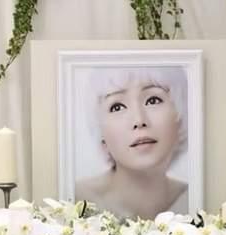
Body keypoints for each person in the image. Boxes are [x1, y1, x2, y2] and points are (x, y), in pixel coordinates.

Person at [75, 66, 188, 219]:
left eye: (153, 100)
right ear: (101, 132)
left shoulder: (196, 199)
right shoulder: (77, 202)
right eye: (117, 107)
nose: (139, 121)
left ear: (180, 116)